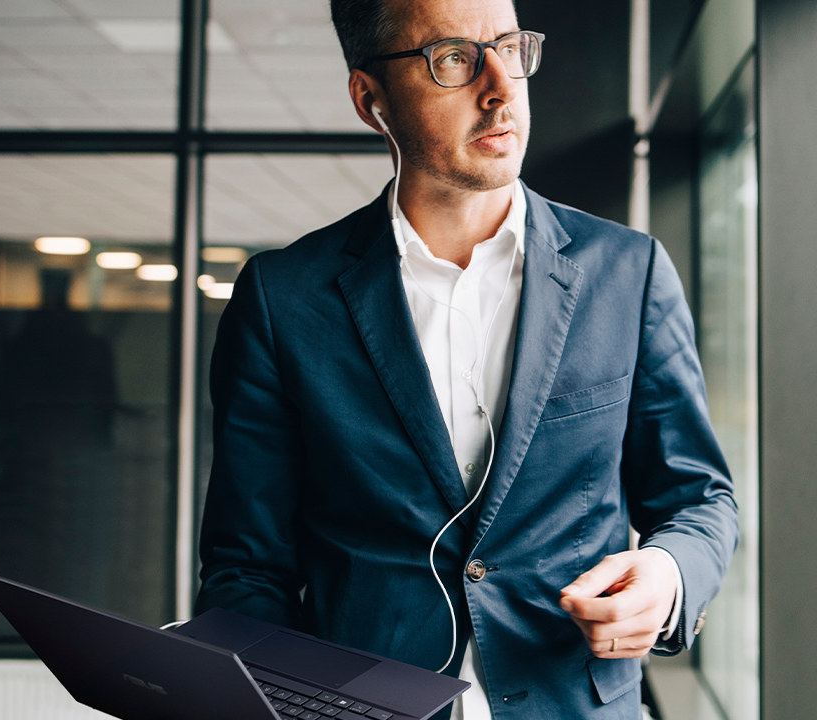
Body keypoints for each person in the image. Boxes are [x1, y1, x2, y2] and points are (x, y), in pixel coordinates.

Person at [194, 0, 739, 717]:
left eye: (510, 48)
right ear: (371, 99)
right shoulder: (282, 297)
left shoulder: (627, 271)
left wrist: (669, 576)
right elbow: (246, 566)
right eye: (452, 58)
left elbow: (700, 499)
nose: (500, 85)